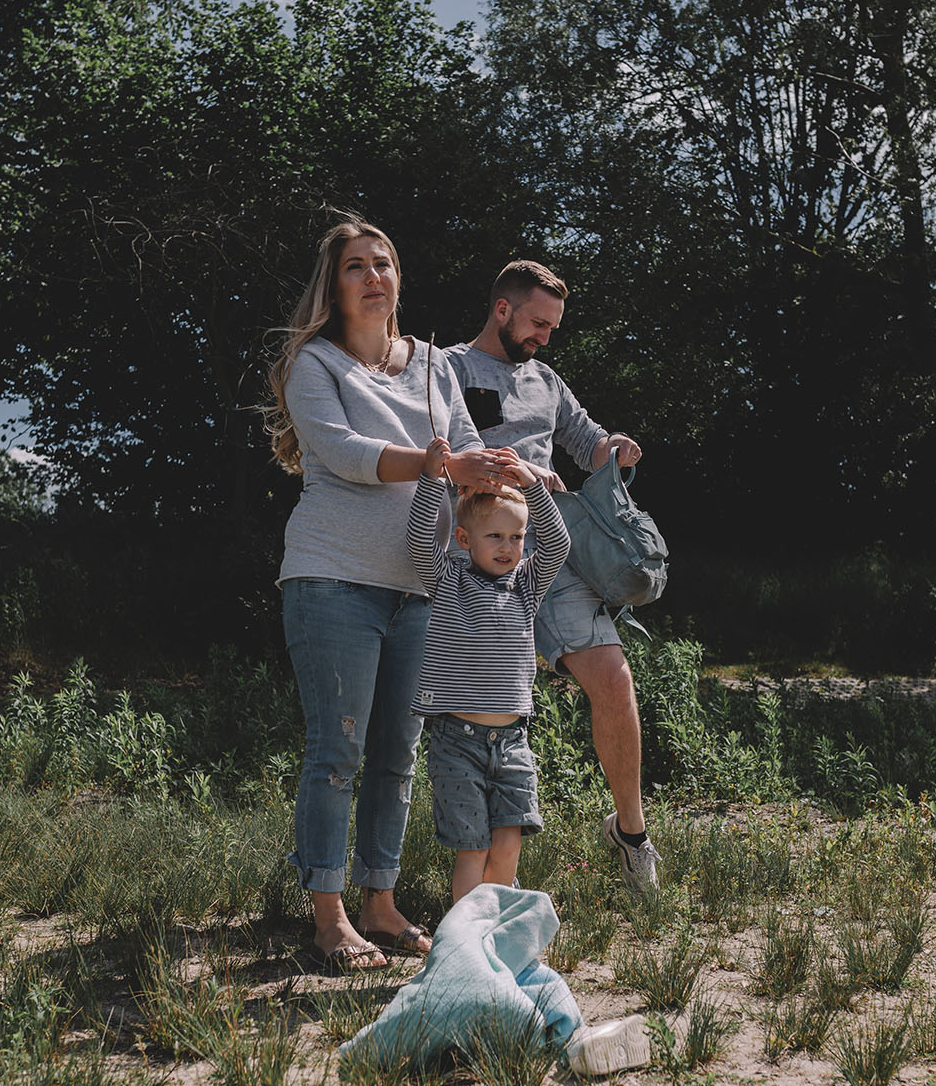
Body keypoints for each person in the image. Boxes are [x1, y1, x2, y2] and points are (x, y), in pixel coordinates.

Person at [265, 218, 520, 973]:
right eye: (355, 267)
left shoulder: (436, 365)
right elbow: (343, 456)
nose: (373, 276)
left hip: (420, 584)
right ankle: (328, 914)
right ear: (333, 285)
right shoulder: (315, 363)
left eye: (384, 263)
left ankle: (379, 901)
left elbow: (471, 441)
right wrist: (441, 466)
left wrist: (507, 471)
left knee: (396, 755)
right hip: (332, 576)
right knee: (336, 750)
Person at [447, 260, 662, 891]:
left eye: (554, 326)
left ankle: (630, 834)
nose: (545, 335)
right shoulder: (452, 370)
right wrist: (515, 474)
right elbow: (440, 452)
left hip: (552, 549)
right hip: (474, 560)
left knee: (615, 681)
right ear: (503, 310)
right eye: (539, 322)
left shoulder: (547, 379)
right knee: (465, 717)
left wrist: (614, 449)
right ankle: (461, 877)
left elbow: (586, 440)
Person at [405, 437, 570, 903]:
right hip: (457, 741)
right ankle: (464, 943)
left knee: (508, 844)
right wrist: (432, 478)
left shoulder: (525, 585)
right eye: (495, 536)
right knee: (472, 848)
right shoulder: (448, 578)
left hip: (513, 742)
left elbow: (558, 544)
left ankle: (493, 934)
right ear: (464, 540)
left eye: (516, 537)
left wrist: (531, 484)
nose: (507, 547)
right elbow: (420, 540)